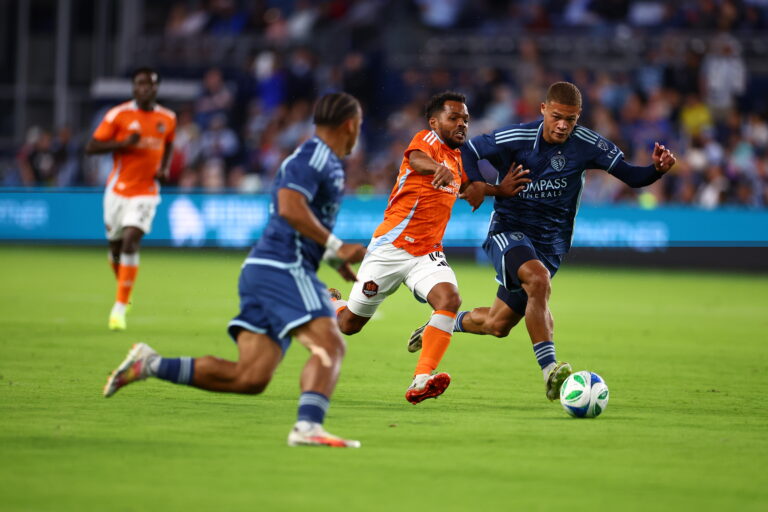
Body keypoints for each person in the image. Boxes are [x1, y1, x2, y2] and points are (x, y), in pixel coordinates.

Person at [103, 92, 368, 448]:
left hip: (266, 268)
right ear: (350, 124)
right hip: (282, 267)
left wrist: (335, 260)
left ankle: (149, 364)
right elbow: (290, 207)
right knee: (330, 345)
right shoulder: (315, 155)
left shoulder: (323, 160)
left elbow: (300, 217)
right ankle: (308, 428)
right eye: (359, 126)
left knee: (250, 377)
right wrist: (336, 246)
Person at [409, 82, 676, 402]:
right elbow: (471, 149)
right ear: (544, 110)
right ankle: (551, 370)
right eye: (558, 116)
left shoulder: (587, 144)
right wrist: (475, 183)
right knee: (538, 279)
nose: (563, 125)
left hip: (551, 243)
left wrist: (656, 170)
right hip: (509, 230)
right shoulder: (516, 137)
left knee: (498, 324)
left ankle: (440, 326)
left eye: (572, 119)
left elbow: (632, 176)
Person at [330, 91, 529, 404]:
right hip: (390, 250)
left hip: (427, 254)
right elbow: (416, 159)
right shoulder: (426, 141)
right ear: (435, 122)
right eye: (454, 118)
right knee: (349, 325)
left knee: (449, 299)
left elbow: (466, 187)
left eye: (465, 118)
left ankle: (421, 380)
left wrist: (497, 190)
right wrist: (435, 168)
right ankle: (330, 303)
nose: (462, 123)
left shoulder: (459, 158)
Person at [85, 67, 176, 331]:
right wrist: (123, 143)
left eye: (150, 84)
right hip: (117, 190)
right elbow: (91, 147)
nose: (145, 88)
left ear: (156, 89)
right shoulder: (118, 115)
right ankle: (125, 290)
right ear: (134, 88)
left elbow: (168, 142)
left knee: (130, 240)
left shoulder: (167, 118)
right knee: (115, 248)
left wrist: (165, 167)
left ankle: (119, 308)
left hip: (146, 191)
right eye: (140, 84)